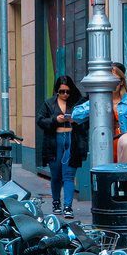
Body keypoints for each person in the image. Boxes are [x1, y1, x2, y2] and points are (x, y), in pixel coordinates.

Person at [37, 75, 88, 216]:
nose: (65, 94)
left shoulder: (77, 103)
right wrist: (55, 119)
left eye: (67, 91)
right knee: (56, 175)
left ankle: (68, 206)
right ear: (57, 91)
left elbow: (87, 119)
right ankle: (56, 202)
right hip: (54, 142)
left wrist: (75, 120)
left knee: (69, 175)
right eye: (62, 91)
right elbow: (40, 121)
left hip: (73, 141)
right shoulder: (49, 103)